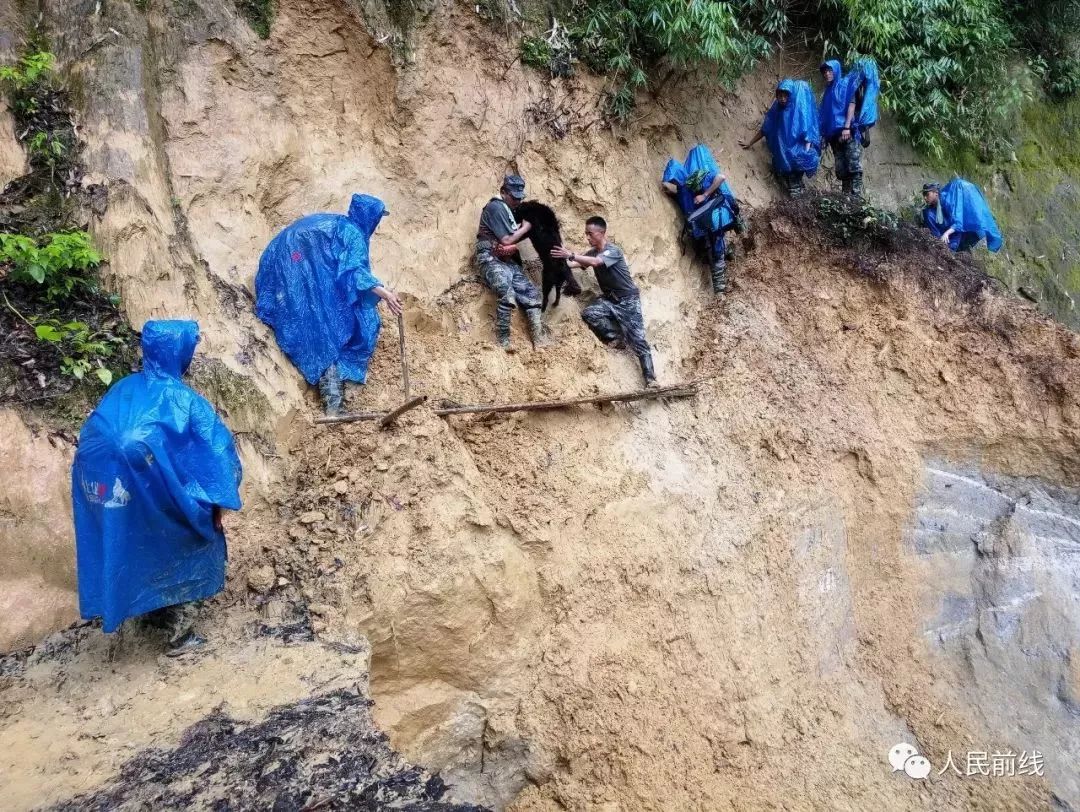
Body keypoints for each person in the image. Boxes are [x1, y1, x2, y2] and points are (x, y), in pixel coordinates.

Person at [71, 320, 243, 655]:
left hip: (105, 486)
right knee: (197, 540)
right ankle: (179, 632)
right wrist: (218, 504)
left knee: (135, 538)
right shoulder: (184, 400)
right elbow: (218, 452)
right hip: (144, 483)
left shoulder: (123, 388)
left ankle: (147, 612)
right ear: (180, 353)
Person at [255, 194, 403, 416]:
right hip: (295, 262)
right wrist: (386, 294)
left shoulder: (338, 224)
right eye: (377, 218)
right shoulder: (352, 233)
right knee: (326, 334)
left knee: (320, 321)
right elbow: (355, 273)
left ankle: (334, 400)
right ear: (369, 217)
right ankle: (333, 405)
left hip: (282, 258)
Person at [551, 217, 657, 386]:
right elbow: (574, 264)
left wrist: (570, 254)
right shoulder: (592, 252)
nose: (587, 237)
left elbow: (596, 262)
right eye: (586, 234)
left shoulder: (612, 251)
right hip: (610, 300)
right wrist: (556, 262)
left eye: (590, 234)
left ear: (601, 233)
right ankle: (615, 339)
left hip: (627, 300)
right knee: (589, 313)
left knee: (638, 340)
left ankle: (651, 379)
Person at [475, 174, 547, 350]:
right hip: (490, 258)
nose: (517, 201)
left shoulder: (510, 209)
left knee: (533, 296)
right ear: (503, 192)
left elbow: (511, 243)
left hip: (506, 262)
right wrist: (526, 227)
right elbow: (507, 240)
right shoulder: (496, 207)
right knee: (507, 295)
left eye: (519, 197)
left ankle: (539, 340)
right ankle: (503, 342)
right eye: (513, 197)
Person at [661, 143, 742, 294]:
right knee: (715, 247)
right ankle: (722, 271)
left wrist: (704, 195)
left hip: (709, 221)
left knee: (716, 248)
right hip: (706, 223)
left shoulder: (697, 179)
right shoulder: (688, 185)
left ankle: (720, 289)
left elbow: (721, 177)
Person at [740, 79, 822, 196]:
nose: (782, 99)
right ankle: (799, 202)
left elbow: (807, 132)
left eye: (785, 96)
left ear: (790, 95)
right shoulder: (776, 109)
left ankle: (797, 207)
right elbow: (765, 129)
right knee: (792, 182)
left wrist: (806, 151)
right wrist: (750, 143)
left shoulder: (797, 110)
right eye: (780, 96)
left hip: (797, 155)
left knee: (794, 185)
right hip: (784, 156)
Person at [818, 58, 879, 196]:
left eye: (830, 70)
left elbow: (851, 105)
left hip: (848, 132)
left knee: (853, 164)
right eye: (825, 72)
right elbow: (825, 115)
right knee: (841, 168)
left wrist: (846, 127)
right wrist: (824, 136)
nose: (827, 74)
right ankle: (846, 197)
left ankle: (856, 196)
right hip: (834, 136)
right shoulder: (827, 92)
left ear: (836, 70)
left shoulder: (844, 85)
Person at [922, 179, 1003, 253]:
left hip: (961, 231)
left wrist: (946, 233)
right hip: (948, 229)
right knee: (928, 214)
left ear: (936, 193)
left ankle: (953, 250)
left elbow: (958, 223)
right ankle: (940, 244)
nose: (925, 198)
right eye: (924, 195)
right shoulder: (931, 210)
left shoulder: (948, 200)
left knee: (957, 242)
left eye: (927, 194)